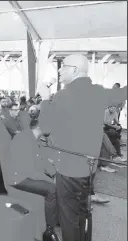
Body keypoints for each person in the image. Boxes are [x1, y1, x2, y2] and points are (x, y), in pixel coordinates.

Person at [38, 54, 127, 241]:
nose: (60, 70)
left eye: (63, 67)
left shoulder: (63, 95)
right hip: (90, 168)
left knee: (69, 219)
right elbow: (122, 93)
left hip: (68, 169)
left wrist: (45, 100)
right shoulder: (99, 92)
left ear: (75, 70)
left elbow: (45, 128)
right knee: (83, 212)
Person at [8, 113, 59, 241]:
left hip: (30, 175)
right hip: (19, 178)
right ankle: (48, 231)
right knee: (52, 189)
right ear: (39, 127)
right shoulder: (22, 139)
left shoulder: (36, 139)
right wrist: (50, 180)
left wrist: (54, 173)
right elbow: (29, 171)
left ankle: (54, 216)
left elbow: (43, 160)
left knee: (59, 180)